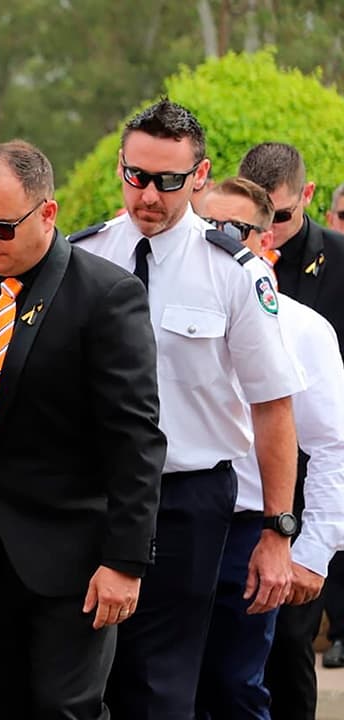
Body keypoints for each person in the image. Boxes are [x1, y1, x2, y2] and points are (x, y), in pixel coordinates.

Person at [70, 98, 303, 720]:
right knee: (78, 680)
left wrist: (278, 532)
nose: (149, 195)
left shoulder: (234, 271)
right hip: (91, 493)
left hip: (186, 500)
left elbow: (273, 406)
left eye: (168, 181)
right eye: (136, 176)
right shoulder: (82, 257)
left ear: (200, 176)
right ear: (120, 167)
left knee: (160, 685)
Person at [0, 139, 165, 720]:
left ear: (47, 213)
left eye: (3, 228)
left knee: (66, 710)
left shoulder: (106, 296)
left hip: (75, 560)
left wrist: (126, 562)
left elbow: (135, 441)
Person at [193, 176, 344, 720]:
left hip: (253, 532)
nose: (215, 239)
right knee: (162, 689)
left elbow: (333, 447)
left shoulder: (303, 329)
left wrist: (312, 552)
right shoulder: (155, 314)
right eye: (205, 226)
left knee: (240, 687)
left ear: (265, 242)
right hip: (171, 526)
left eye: (232, 229)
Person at [238, 142, 344, 718]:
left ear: (307, 196)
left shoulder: (338, 263)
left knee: (288, 644)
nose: (267, 231)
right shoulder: (223, 258)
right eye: (256, 218)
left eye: (279, 215)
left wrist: (317, 543)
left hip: (311, 481)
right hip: (233, 484)